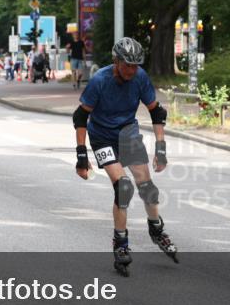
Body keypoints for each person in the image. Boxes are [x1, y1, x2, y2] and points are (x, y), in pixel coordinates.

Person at [72, 37, 176, 276]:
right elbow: (80, 117)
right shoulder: (100, 81)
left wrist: (160, 149)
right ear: (116, 61)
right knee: (124, 187)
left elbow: (157, 112)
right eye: (127, 65)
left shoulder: (139, 77)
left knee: (148, 187)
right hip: (102, 137)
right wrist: (81, 155)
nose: (132, 70)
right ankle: (120, 244)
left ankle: (156, 229)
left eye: (136, 65)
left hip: (128, 135)